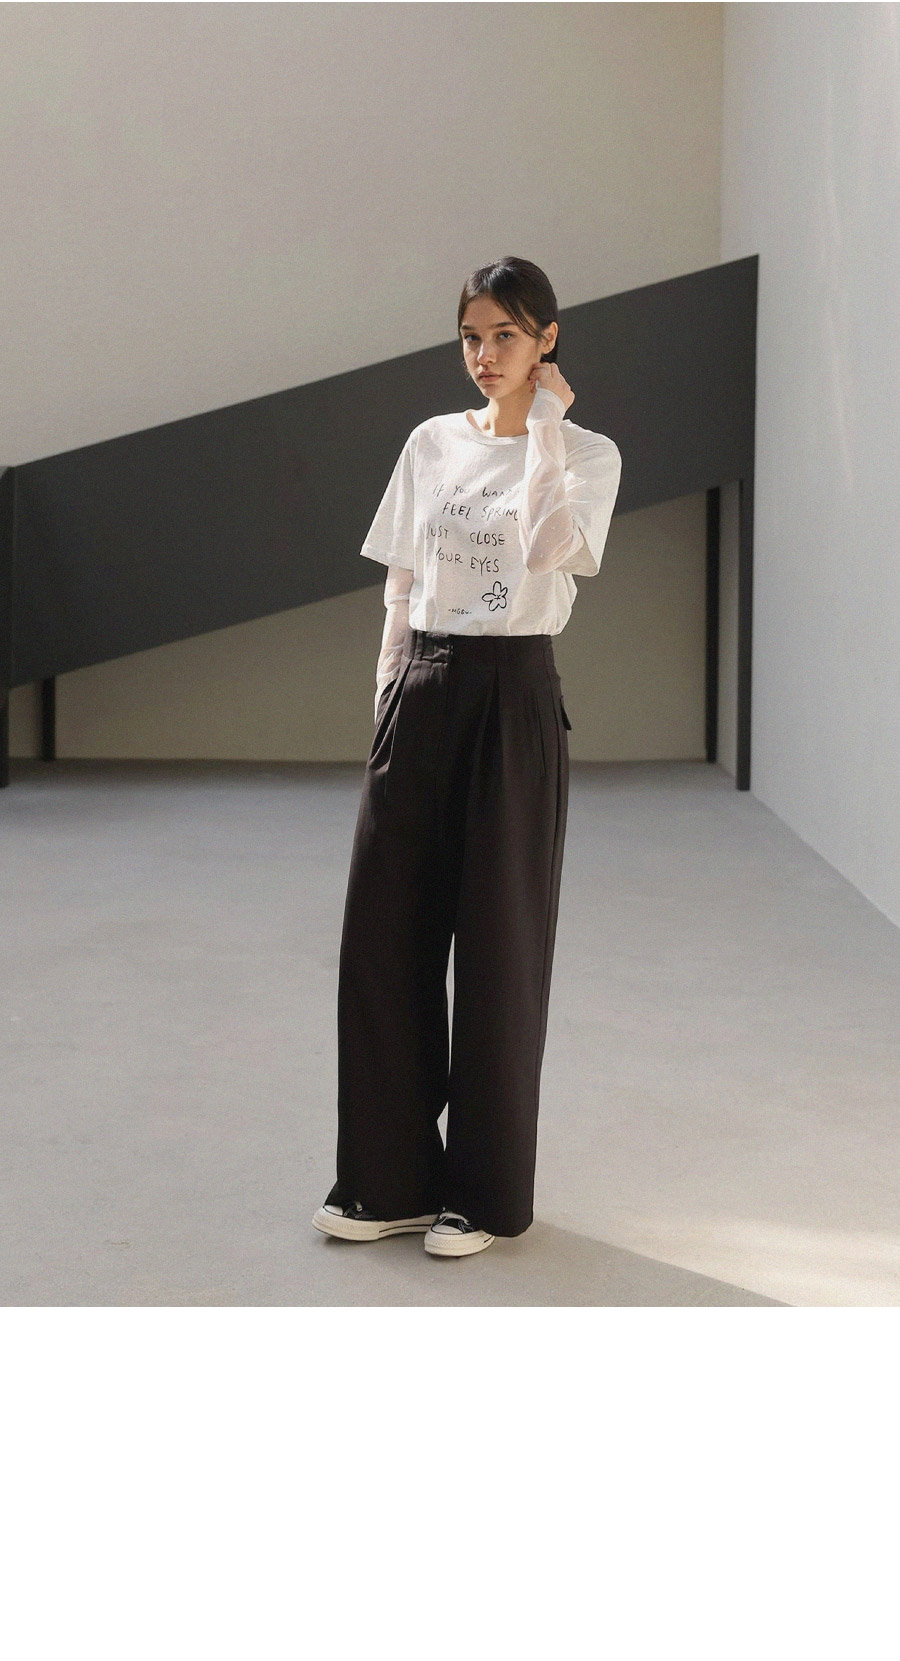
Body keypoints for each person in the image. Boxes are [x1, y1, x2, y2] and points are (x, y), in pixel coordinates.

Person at [312, 255, 622, 1258]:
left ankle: (483, 1198)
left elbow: (546, 550)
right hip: (422, 688)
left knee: (499, 947)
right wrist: (386, 703)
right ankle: (388, 1179)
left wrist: (544, 428)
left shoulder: (588, 454)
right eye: (472, 337)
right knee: (383, 939)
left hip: (513, 696)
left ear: (547, 340)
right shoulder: (429, 442)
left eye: (505, 336)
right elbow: (402, 583)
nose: (484, 355)